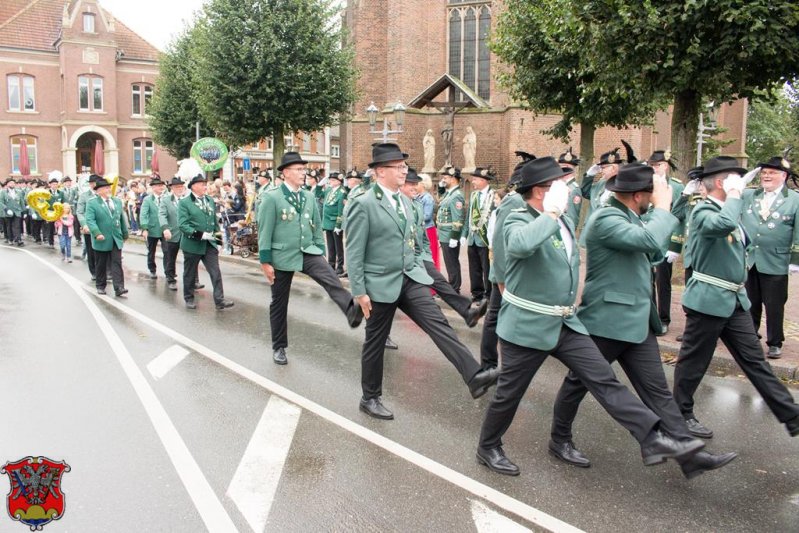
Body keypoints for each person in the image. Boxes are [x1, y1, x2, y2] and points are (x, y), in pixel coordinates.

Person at [476, 157, 704, 477]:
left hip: (566, 322)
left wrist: (556, 215)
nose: (566, 187)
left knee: (603, 379)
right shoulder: (516, 218)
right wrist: (552, 213)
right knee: (510, 393)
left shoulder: (564, 219)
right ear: (541, 191)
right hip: (527, 324)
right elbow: (519, 247)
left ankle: (653, 438)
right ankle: (488, 446)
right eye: (558, 183)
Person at [549, 163, 737, 479]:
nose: (655, 200)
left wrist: (668, 203)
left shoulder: (630, 216)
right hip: (607, 319)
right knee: (577, 384)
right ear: (638, 195)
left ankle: (689, 454)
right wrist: (663, 206)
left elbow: (655, 246)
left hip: (637, 320)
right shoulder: (606, 219)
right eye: (651, 195)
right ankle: (559, 439)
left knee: (658, 392)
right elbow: (651, 241)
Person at [345, 143, 499, 420]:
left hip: (409, 278)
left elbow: (414, 241)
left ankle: (473, 376)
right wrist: (359, 291)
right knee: (375, 342)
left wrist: (417, 264)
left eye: (404, 165)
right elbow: (354, 250)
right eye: (398, 166)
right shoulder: (364, 203)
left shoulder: (406, 202)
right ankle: (370, 397)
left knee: (438, 323)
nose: (405, 170)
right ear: (380, 171)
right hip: (379, 284)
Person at [673, 156, 799, 440]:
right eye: (734, 177)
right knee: (694, 362)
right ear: (721, 182)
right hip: (707, 299)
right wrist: (733, 195)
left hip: (734, 300)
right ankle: (680, 415)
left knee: (754, 361)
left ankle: (790, 414)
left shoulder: (729, 209)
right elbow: (721, 224)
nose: (740, 183)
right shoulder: (703, 211)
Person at [257, 152, 363, 365]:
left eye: (304, 169)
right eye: (298, 169)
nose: (303, 173)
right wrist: (265, 261)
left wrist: (320, 250)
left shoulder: (308, 196)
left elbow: (316, 223)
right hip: (281, 255)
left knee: (330, 276)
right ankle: (279, 346)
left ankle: (350, 309)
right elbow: (264, 230)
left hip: (307, 250)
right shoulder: (272, 197)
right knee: (279, 302)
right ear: (286, 173)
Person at [402, 168, 485, 327]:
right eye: (410, 184)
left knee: (439, 281)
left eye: (416, 184)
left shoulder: (417, 204)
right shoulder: (395, 203)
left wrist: (425, 255)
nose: (415, 187)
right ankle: (379, 334)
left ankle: (466, 312)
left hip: (418, 256)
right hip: (398, 260)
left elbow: (422, 233)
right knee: (386, 305)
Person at [741, 156, 799, 359]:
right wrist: (743, 182)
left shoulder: (794, 199)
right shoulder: (750, 195)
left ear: (783, 176)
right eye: (764, 172)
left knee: (774, 304)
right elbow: (730, 198)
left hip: (776, 260)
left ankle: (775, 342)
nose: (766, 176)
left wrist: (795, 260)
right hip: (751, 259)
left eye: (772, 173)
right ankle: (750, 337)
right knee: (750, 301)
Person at [177, 173, 234, 311]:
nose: (205, 187)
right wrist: (200, 234)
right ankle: (189, 298)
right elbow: (183, 225)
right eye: (202, 185)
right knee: (190, 274)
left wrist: (219, 242)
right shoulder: (185, 203)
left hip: (209, 245)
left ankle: (219, 300)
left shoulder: (209, 200)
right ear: (194, 187)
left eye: (205, 184)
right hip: (193, 244)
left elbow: (214, 222)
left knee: (216, 272)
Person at [646, 150, 686, 336]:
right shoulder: (645, 183)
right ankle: (650, 316)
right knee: (647, 280)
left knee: (663, 283)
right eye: (652, 165)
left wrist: (675, 245)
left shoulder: (676, 187)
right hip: (647, 238)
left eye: (658, 165)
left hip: (665, 242)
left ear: (666, 165)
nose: (655, 168)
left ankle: (663, 319)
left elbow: (679, 217)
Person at [85, 177, 128, 296]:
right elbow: (90, 220)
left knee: (117, 262)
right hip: (102, 238)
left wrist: (125, 233)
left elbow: (121, 218)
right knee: (101, 263)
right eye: (105, 188)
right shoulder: (92, 203)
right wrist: (97, 233)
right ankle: (100, 285)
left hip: (115, 237)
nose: (108, 189)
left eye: (108, 187)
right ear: (98, 191)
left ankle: (119, 287)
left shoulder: (117, 201)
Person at [465, 167, 496, 303]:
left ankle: (488, 295)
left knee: (487, 268)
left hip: (485, 238)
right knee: (474, 268)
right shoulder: (473, 195)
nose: (473, 181)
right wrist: (464, 234)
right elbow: (469, 216)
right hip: (473, 237)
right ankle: (476, 293)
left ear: (484, 180)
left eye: (476, 179)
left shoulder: (493, 195)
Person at [436, 166, 465, 292]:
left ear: (453, 179)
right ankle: (453, 286)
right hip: (444, 234)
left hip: (449, 235)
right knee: (449, 263)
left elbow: (457, 219)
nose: (444, 179)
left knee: (452, 263)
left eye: (446, 177)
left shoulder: (456, 196)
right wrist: (441, 187)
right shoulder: (449, 194)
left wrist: (454, 237)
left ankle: (454, 288)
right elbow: (441, 201)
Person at [159, 177, 187, 291]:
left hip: (187, 234)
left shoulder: (188, 199)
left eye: (181, 187)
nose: (180, 189)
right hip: (172, 233)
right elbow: (162, 214)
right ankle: (171, 279)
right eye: (177, 187)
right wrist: (165, 228)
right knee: (171, 257)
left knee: (191, 257)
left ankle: (194, 280)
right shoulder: (166, 200)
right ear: (172, 188)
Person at [139, 177, 167, 279]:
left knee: (167, 251)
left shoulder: (167, 198)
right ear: (153, 187)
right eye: (158, 186)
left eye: (162, 185)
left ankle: (168, 272)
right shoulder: (147, 199)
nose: (161, 187)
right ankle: (152, 270)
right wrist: (145, 228)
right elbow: (143, 214)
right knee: (151, 251)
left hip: (165, 229)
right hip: (152, 229)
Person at [321, 172, 346, 276]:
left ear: (339, 182)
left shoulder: (342, 192)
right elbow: (318, 194)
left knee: (338, 246)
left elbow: (341, 210)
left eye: (333, 180)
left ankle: (340, 267)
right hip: (327, 222)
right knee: (330, 246)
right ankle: (331, 265)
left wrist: (338, 225)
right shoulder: (328, 190)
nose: (331, 182)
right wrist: (320, 184)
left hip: (335, 222)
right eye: (330, 180)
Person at [416, 173, 439, 270]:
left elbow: (427, 215)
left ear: (423, 184)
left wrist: (414, 217)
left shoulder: (427, 198)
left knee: (431, 254)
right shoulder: (417, 197)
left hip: (428, 229)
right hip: (421, 228)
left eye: (417, 183)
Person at [1, 178, 25, 246]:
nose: (12, 184)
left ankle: (18, 240)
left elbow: (22, 202)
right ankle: (10, 239)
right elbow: (1, 202)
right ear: (7, 184)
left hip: (17, 211)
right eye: (10, 183)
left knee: (17, 226)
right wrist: (6, 209)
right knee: (9, 226)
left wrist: (24, 212)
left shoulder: (18, 192)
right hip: (7, 212)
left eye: (13, 183)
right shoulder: (3, 192)